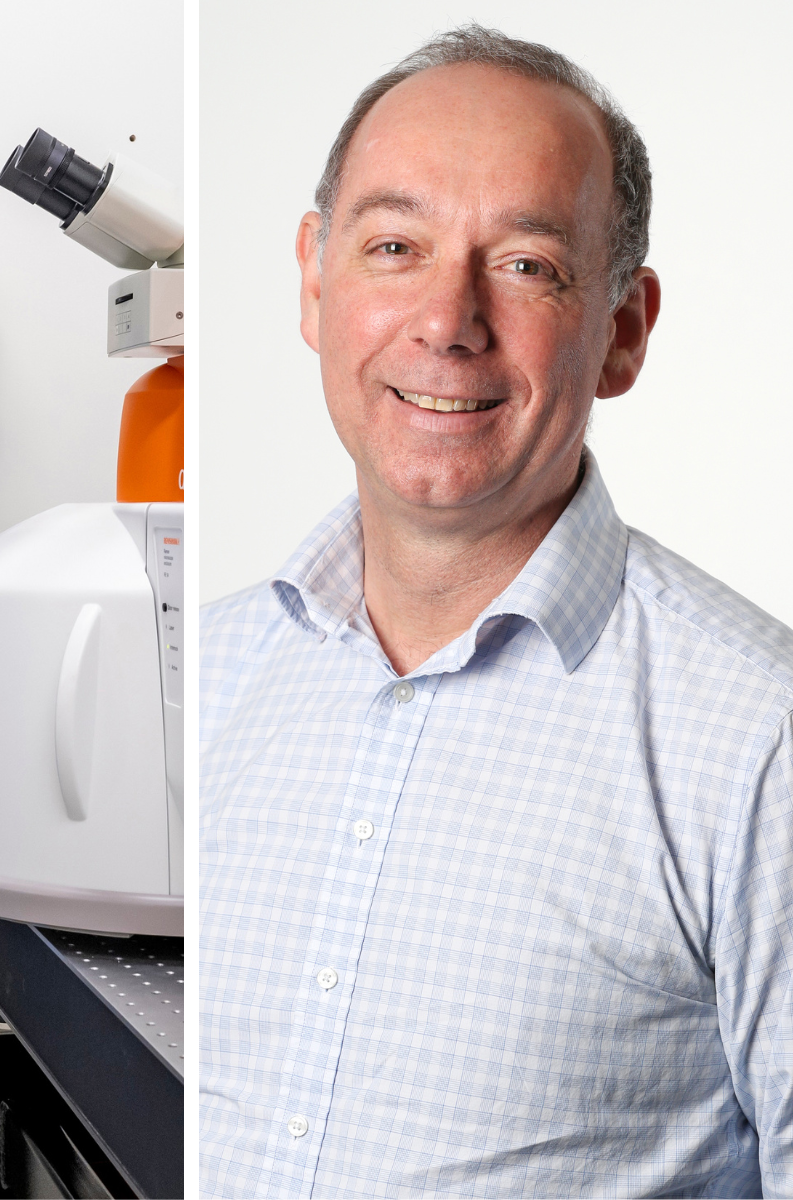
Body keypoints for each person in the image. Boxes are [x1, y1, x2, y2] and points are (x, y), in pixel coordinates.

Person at [201, 24, 793, 1198]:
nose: (448, 319)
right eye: (394, 246)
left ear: (622, 329)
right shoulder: (211, 675)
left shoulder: (756, 740)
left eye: (526, 264)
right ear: (315, 282)